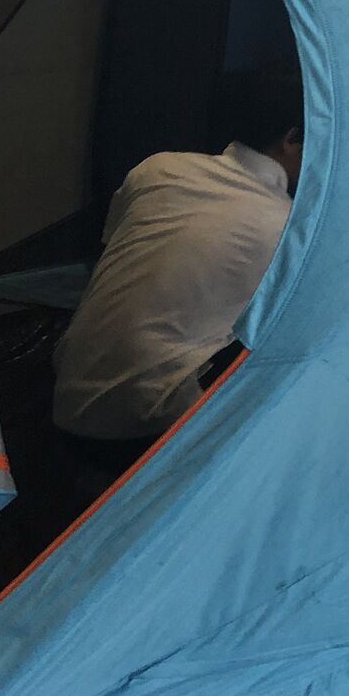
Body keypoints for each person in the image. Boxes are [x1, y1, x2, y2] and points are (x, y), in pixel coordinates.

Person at [53, 65, 303, 445]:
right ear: (291, 139)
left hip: (65, 402)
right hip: (145, 431)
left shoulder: (157, 170)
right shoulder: (286, 227)